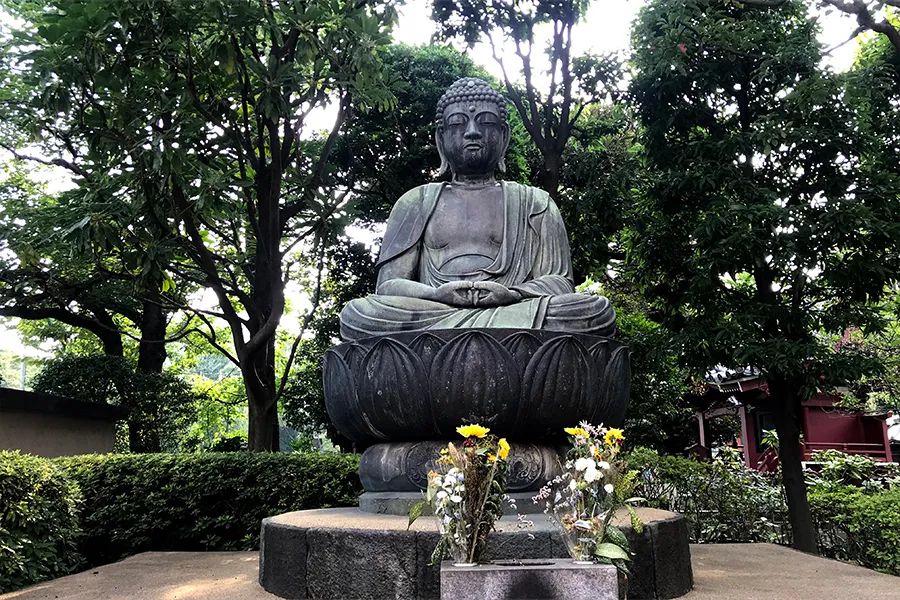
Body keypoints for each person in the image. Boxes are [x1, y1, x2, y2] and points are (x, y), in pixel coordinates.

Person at [339, 78, 616, 341]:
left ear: (504, 136)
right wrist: (439, 295)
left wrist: (512, 295)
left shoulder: (536, 203)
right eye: (458, 123)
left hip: (512, 311)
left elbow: (559, 284)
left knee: (593, 310)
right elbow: (388, 286)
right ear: (441, 138)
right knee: (359, 314)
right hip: (436, 312)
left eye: (486, 122)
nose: (472, 132)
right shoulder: (416, 201)